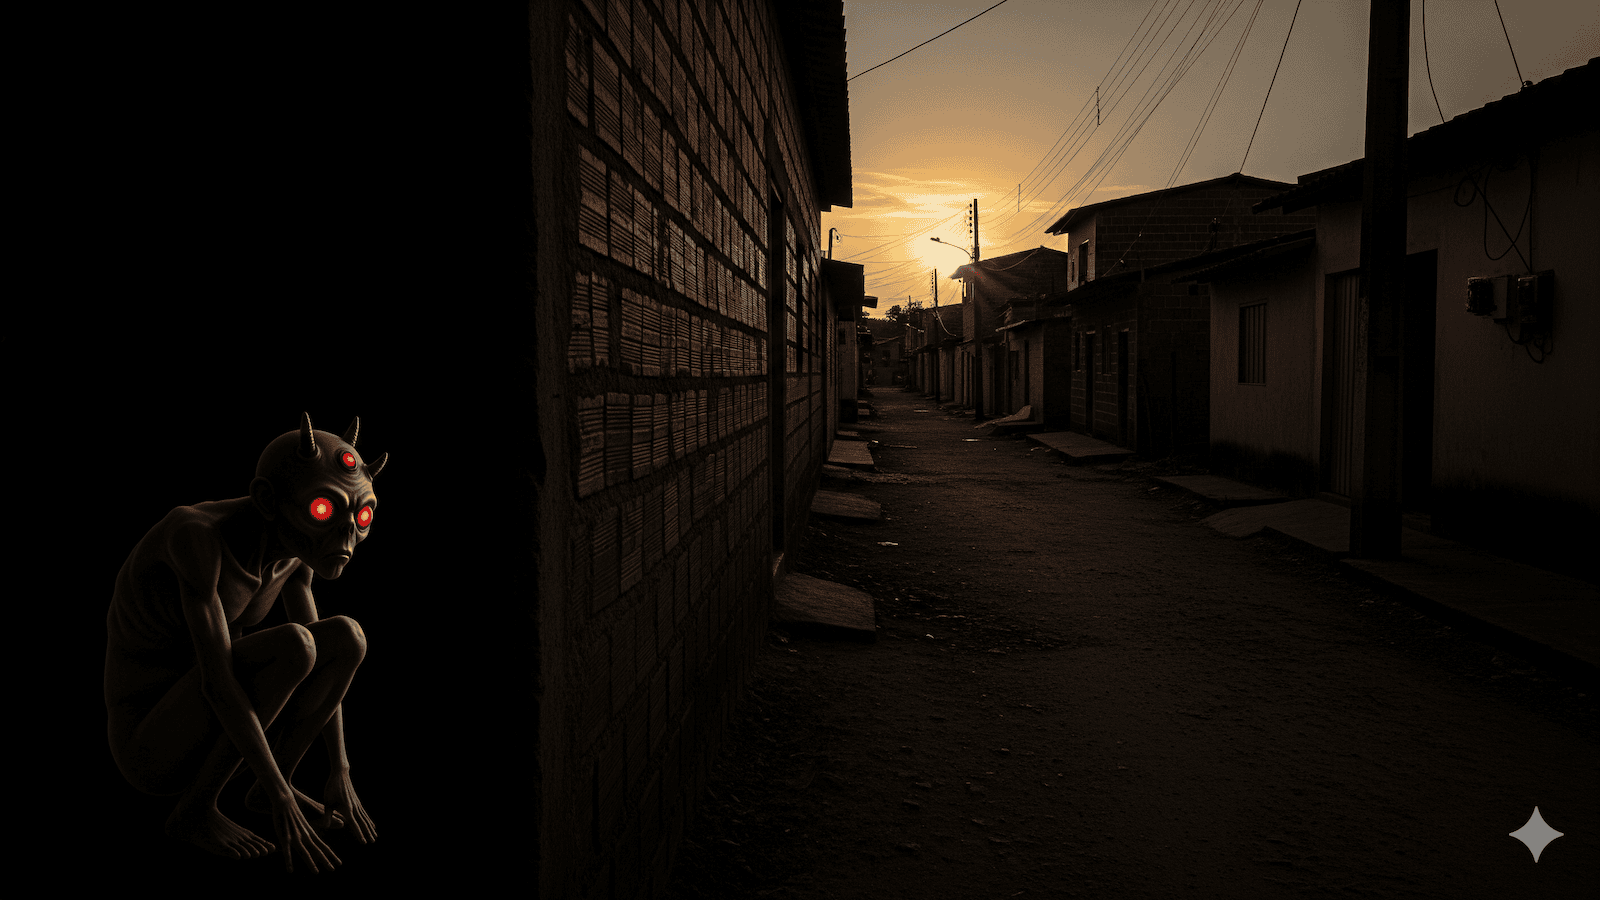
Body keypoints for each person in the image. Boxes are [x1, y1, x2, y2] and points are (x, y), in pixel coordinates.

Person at [105, 413, 385, 873]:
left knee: (348, 637)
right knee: (296, 645)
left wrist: (339, 769)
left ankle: (271, 783)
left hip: (217, 730)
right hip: (151, 746)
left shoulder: (296, 551)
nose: (347, 537)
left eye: (362, 515)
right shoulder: (196, 538)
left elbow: (331, 659)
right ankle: (195, 810)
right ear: (267, 499)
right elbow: (217, 682)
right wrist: (282, 799)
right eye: (325, 509)